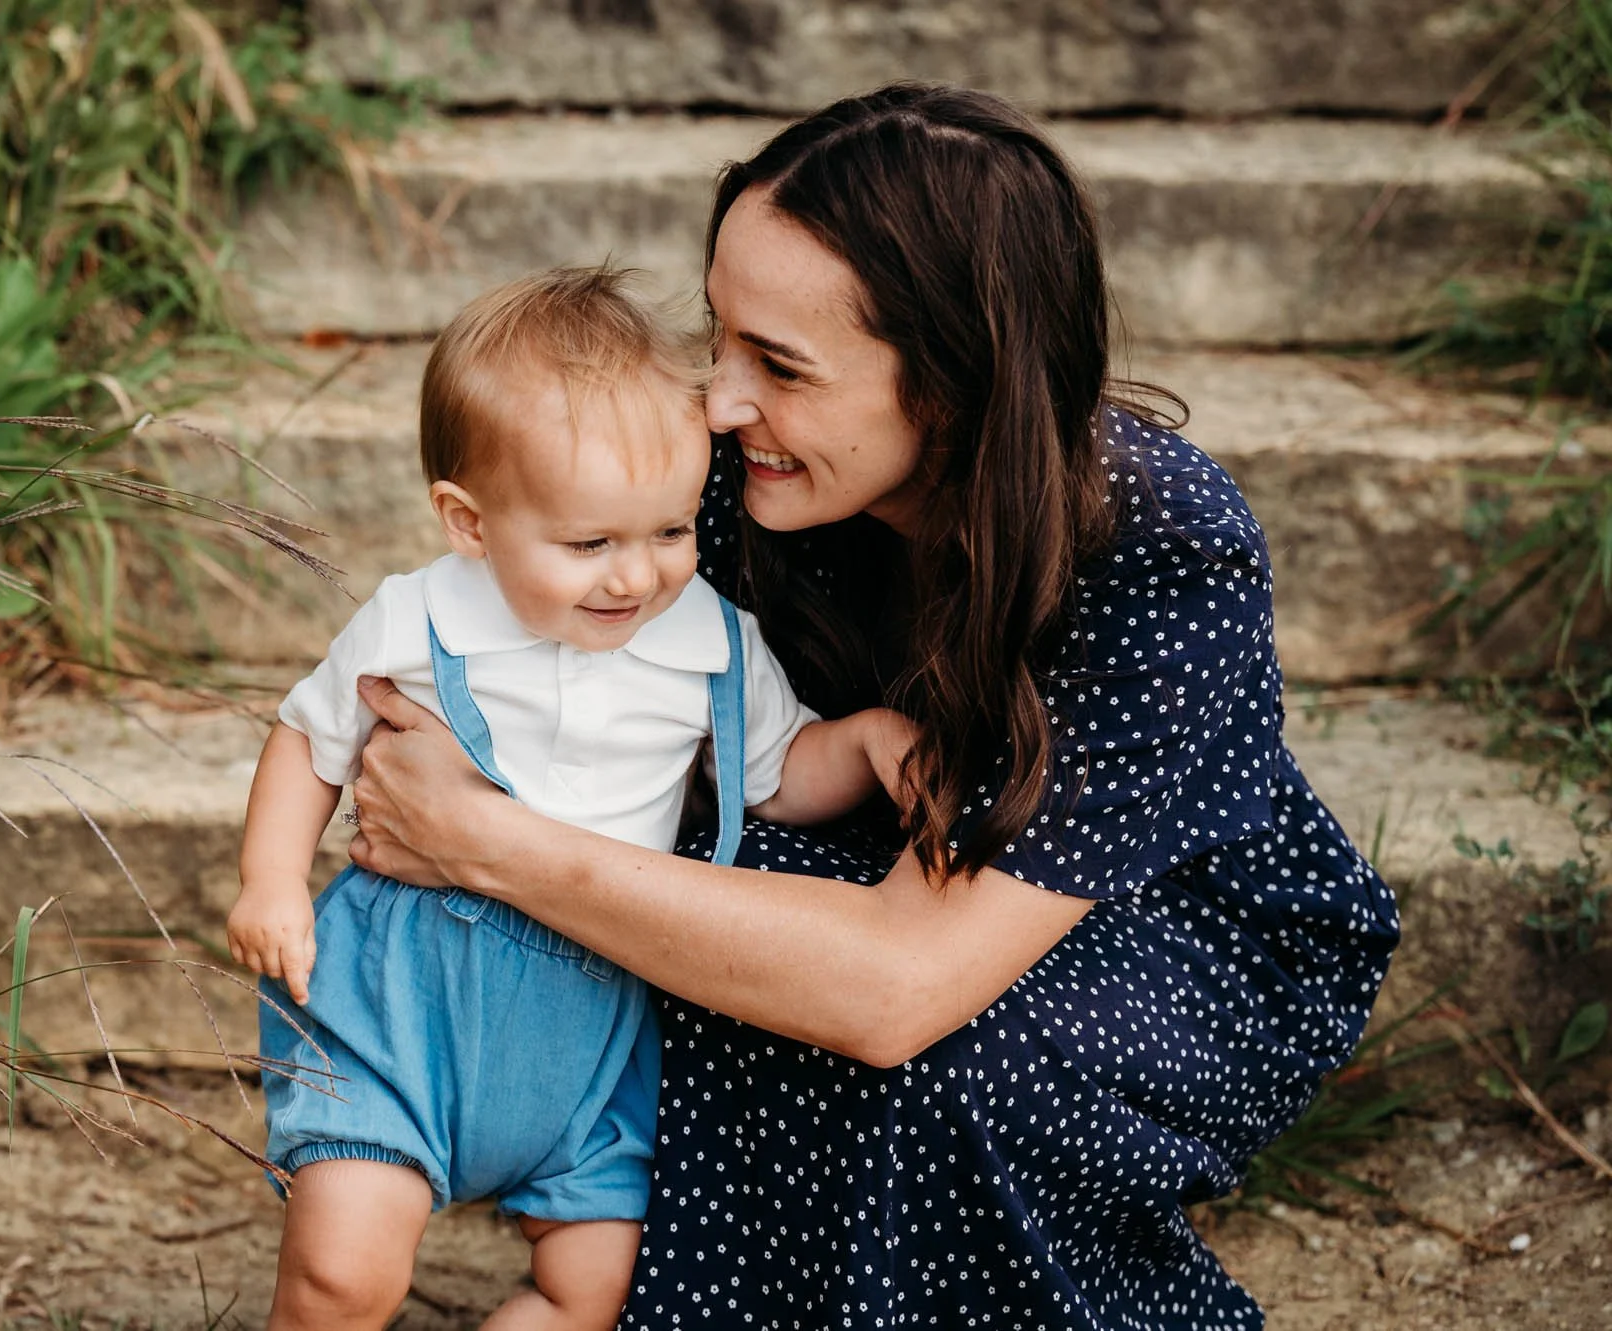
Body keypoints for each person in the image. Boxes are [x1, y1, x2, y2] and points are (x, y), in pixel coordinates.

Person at [343, 85, 1403, 1329]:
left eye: (779, 365)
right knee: (691, 910)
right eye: (718, 336)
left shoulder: (1159, 546)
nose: (721, 401)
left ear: (951, 382)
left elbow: (897, 988)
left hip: (1159, 925)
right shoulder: (747, 470)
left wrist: (484, 838)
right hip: (857, 834)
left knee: (946, 1057)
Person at [227, 266, 914, 1331]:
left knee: (593, 1286)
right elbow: (308, 741)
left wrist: (864, 744)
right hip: (405, 1001)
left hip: (594, 1031)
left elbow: (775, 777)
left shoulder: (711, 644)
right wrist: (271, 878)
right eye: (588, 542)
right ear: (467, 521)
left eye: (670, 531)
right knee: (342, 1272)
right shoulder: (419, 621)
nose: (634, 577)